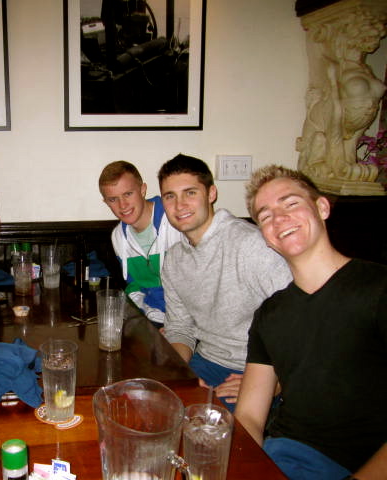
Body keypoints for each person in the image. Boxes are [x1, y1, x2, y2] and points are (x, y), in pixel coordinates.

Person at [236, 165, 387, 479]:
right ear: (266, 238)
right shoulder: (269, 314)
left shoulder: (378, 287)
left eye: (290, 204)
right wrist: (242, 467)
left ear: (322, 208)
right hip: (285, 453)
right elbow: (249, 415)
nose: (279, 219)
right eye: (265, 216)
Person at [157, 154, 292, 411]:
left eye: (190, 193)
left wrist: (273, 384)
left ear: (211, 194)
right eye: (170, 196)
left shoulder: (251, 245)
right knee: (153, 411)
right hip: (206, 361)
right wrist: (179, 374)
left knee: (205, 430)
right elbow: (180, 328)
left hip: (261, 369)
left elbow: (302, 322)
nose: (179, 205)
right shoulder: (174, 260)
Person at [99, 160, 183, 327]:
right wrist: (142, 315)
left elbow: (195, 285)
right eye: (113, 199)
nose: (123, 205)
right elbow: (134, 286)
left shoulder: (175, 219)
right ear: (106, 202)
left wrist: (175, 326)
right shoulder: (118, 236)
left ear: (143, 190)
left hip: (185, 323)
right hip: (150, 318)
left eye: (128, 194)